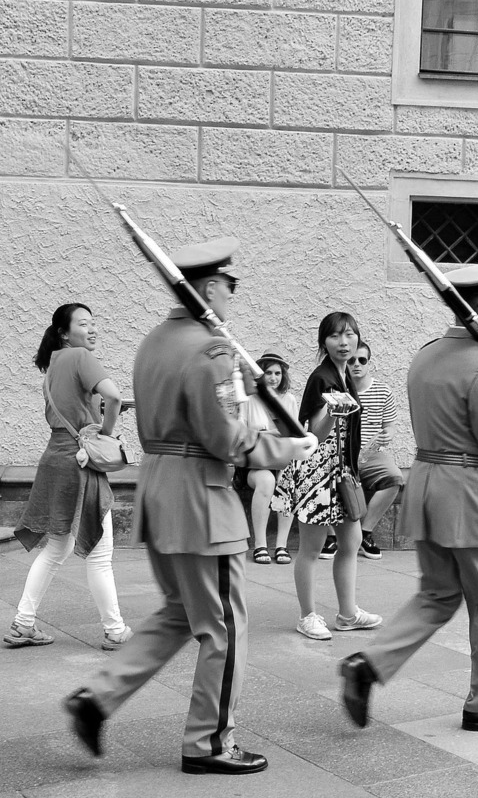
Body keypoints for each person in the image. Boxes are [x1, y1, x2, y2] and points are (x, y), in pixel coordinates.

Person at [63, 238, 317, 775]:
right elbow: (224, 437)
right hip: (202, 500)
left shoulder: (157, 341)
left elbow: (188, 410)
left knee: (180, 612)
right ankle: (209, 743)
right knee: (223, 626)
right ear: (207, 287)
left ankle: (98, 697)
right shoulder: (211, 349)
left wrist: (238, 388)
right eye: (230, 285)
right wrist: (286, 447)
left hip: (161, 491)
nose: (232, 294)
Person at [339, 262, 478, 732]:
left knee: (437, 595)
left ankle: (369, 664)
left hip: (425, 482)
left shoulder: (427, 355)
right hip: (468, 493)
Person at [3, 304, 132, 652]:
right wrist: (105, 432)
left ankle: (23, 624)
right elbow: (114, 396)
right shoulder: (81, 357)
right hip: (80, 462)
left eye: (94, 323)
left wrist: (95, 415)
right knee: (101, 553)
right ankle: (115, 629)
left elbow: (74, 408)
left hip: (55, 460)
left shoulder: (53, 366)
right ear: (64, 332)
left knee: (56, 548)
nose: (92, 330)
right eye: (83, 324)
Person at [273, 312, 382, 641]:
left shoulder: (346, 374)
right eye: (335, 336)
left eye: (350, 335)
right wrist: (331, 412)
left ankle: (348, 614)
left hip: (343, 471)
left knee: (351, 542)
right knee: (311, 548)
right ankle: (307, 615)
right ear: (324, 342)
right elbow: (313, 433)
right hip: (318, 473)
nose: (344, 342)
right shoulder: (321, 378)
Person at [237, 350, 298, 565]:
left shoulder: (288, 399)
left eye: (277, 373)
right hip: (256, 461)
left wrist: (265, 433)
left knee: (287, 480)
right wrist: (273, 433)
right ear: (260, 375)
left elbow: (294, 434)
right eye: (268, 373)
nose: (273, 378)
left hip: (281, 458)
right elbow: (242, 433)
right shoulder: (249, 399)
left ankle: (281, 545)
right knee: (266, 480)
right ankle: (260, 544)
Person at [348, 341, 404, 560]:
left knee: (394, 479)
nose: (356, 364)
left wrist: (388, 434)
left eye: (362, 360)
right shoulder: (338, 388)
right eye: (351, 360)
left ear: (369, 363)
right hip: (342, 454)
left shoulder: (382, 391)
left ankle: (364, 533)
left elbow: (389, 426)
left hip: (371, 453)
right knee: (328, 479)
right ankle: (332, 537)